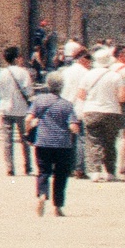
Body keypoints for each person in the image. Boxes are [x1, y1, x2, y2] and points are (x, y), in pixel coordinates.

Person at [72, 46, 125, 181]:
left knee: (93, 141)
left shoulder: (88, 75)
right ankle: (110, 171)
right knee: (110, 142)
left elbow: (81, 94)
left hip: (92, 110)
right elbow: (122, 97)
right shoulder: (116, 76)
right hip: (112, 111)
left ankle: (95, 171)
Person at [29, 79, 83, 213]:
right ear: (61, 87)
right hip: (62, 144)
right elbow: (73, 126)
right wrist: (76, 131)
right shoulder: (67, 105)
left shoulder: (39, 100)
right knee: (61, 175)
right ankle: (58, 206)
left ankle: (42, 194)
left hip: (43, 142)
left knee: (43, 171)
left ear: (48, 85)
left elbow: (28, 119)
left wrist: (28, 131)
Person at [0, 46, 36, 180]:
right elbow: (29, 91)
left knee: (7, 140)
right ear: (17, 58)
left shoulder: (2, 73)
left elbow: (0, 90)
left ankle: (9, 167)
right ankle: (27, 166)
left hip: (6, 109)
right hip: (21, 109)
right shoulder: (23, 73)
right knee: (25, 139)